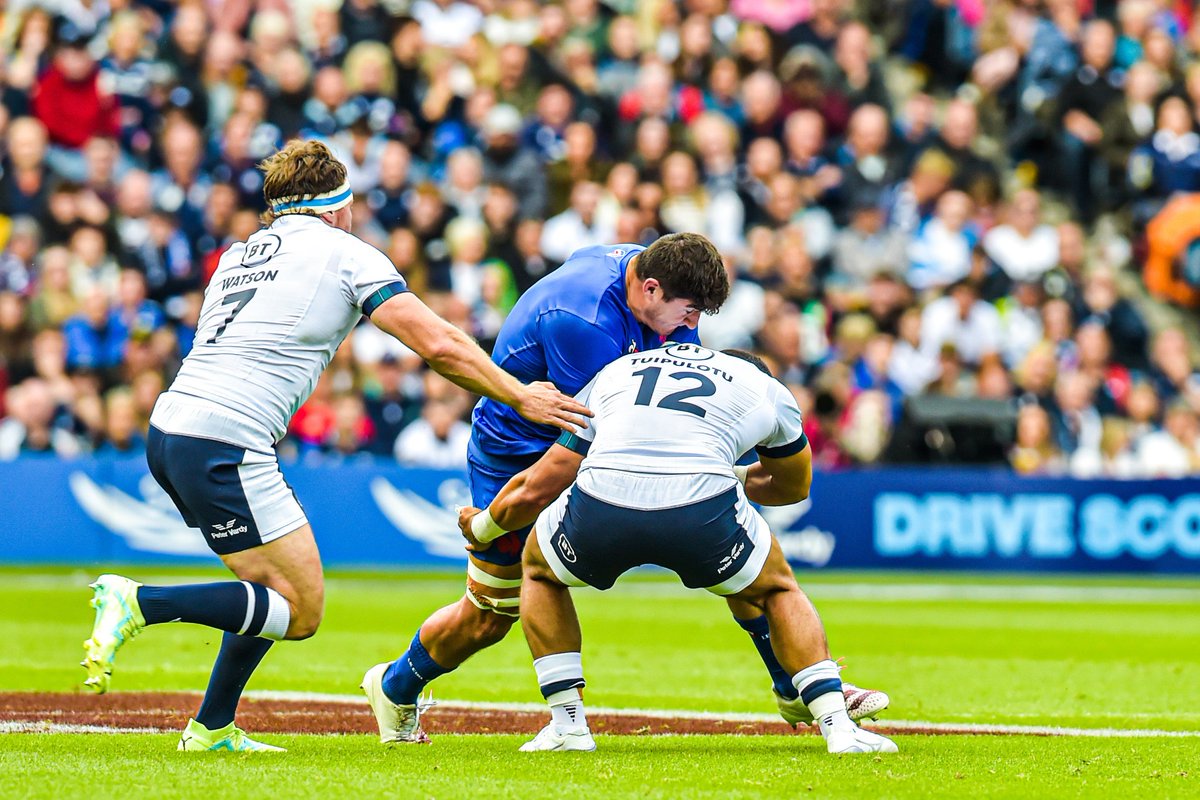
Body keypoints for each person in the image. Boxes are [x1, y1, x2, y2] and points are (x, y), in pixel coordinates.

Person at [80, 139, 589, 753]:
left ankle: (212, 726)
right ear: (334, 210)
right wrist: (520, 396)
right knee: (299, 610)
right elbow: (439, 345)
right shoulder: (345, 253)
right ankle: (138, 601)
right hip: (226, 437)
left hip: (172, 428)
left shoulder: (236, 256)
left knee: (267, 588)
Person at [361, 233, 888, 745]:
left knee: (737, 555)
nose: (693, 326)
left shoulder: (652, 277)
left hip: (588, 435)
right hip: (522, 452)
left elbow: (667, 393)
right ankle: (395, 686)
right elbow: (603, 433)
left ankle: (793, 683)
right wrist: (489, 521)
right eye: (689, 313)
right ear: (651, 290)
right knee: (490, 615)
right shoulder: (584, 321)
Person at [457, 345, 898, 755]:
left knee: (538, 570)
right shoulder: (768, 388)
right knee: (776, 589)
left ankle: (568, 724)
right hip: (700, 504)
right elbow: (793, 486)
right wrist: (730, 471)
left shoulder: (618, 369)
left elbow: (539, 484)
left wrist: (482, 526)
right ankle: (838, 727)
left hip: (604, 498)